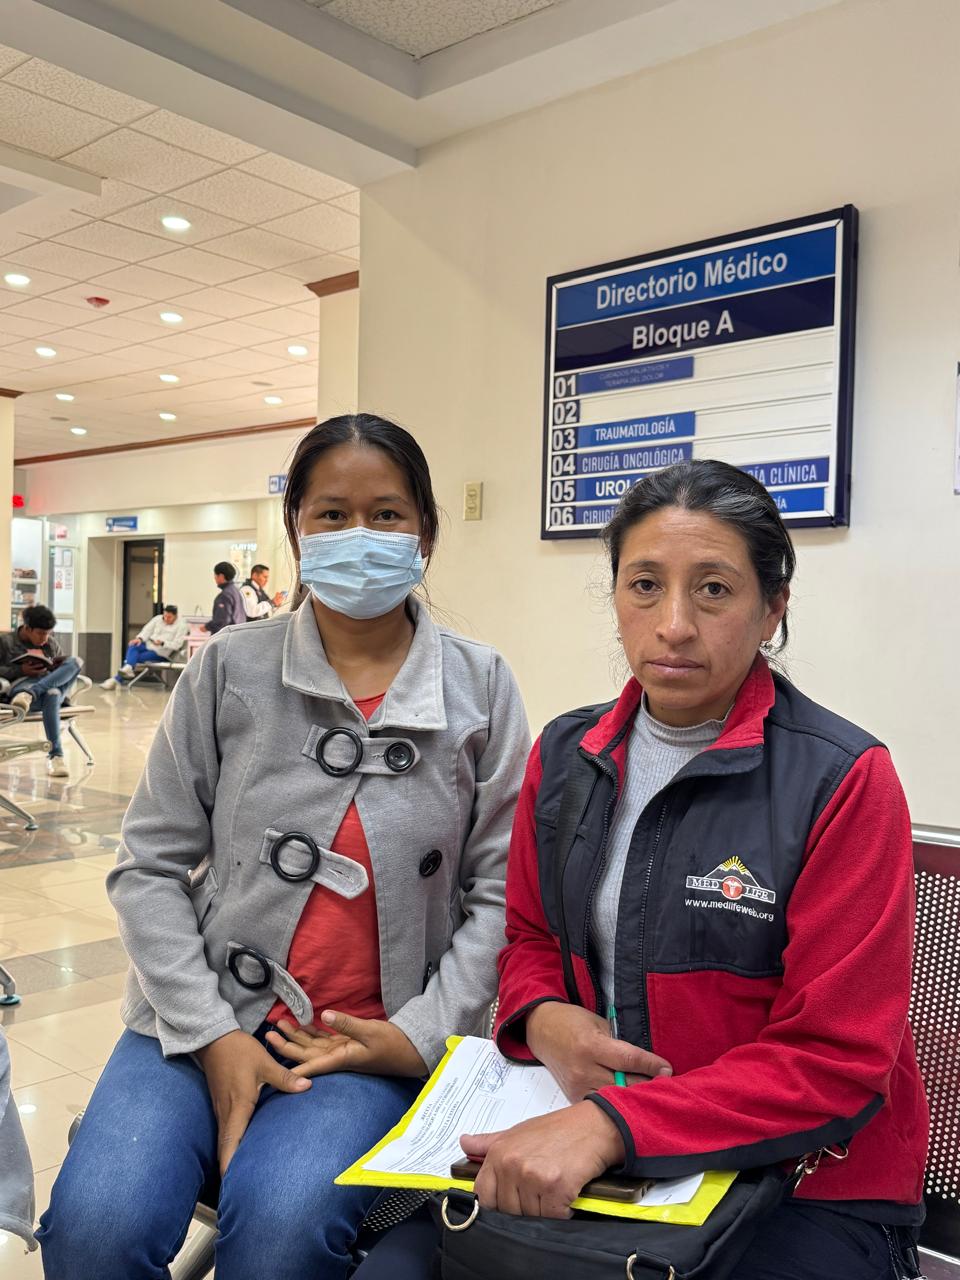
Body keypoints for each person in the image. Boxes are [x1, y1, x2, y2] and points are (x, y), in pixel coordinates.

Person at [357, 460, 928, 1280]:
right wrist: (542, 1018)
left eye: (714, 590)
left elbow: (834, 1056)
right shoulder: (567, 754)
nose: (674, 625)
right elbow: (528, 938)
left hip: (800, 1181)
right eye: (646, 586)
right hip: (588, 1147)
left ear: (773, 607)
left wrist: (614, 1127)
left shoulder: (843, 780)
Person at [38, 413, 531, 1280]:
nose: (360, 535)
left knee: (281, 1232)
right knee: (94, 1228)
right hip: (196, 1017)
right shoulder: (229, 668)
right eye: (332, 514)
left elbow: (501, 898)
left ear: (425, 533)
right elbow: (147, 866)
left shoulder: (480, 684)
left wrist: (415, 1037)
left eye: (386, 514)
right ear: (297, 530)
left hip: (363, 1043)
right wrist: (211, 1033)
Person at [0, 604, 90, 777]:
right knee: (53, 694)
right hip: (21, 687)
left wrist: (55, 667)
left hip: (40, 688)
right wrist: (20, 670)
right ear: (27, 628)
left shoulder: (50, 643)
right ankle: (56, 756)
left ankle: (31, 694)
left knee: (75, 662)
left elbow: (61, 671)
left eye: (48, 633)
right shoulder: (5, 642)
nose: (45, 638)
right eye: (41, 633)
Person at [100, 604, 189, 690]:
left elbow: (177, 644)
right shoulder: (157, 619)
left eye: (169, 617)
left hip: (161, 652)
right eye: (165, 616)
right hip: (149, 645)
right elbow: (146, 631)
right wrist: (139, 639)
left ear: (175, 616)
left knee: (135, 658)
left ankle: (117, 678)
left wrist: (162, 643)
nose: (166, 619)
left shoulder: (182, 625)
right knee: (133, 644)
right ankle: (128, 669)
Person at [205, 561, 246, 633]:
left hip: (227, 636)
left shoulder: (225, 595)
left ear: (221, 576)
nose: (214, 578)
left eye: (215, 575)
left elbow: (222, 620)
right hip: (238, 633)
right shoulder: (236, 591)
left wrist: (207, 627)